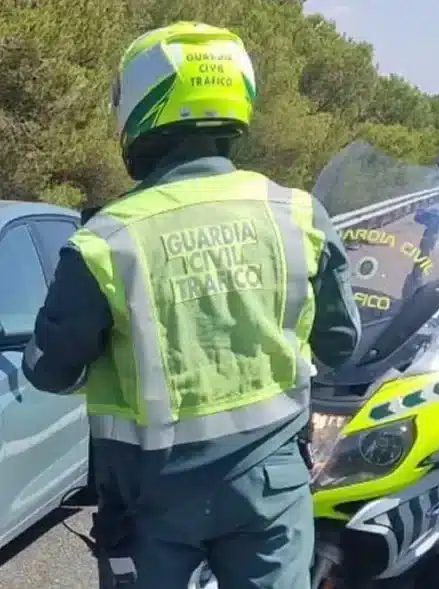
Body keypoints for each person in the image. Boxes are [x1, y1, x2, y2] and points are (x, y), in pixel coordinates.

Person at [22, 21, 361, 589]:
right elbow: (340, 344)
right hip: (269, 490)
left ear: (138, 107)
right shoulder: (298, 215)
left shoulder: (107, 238)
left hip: (151, 500)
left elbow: (51, 371)